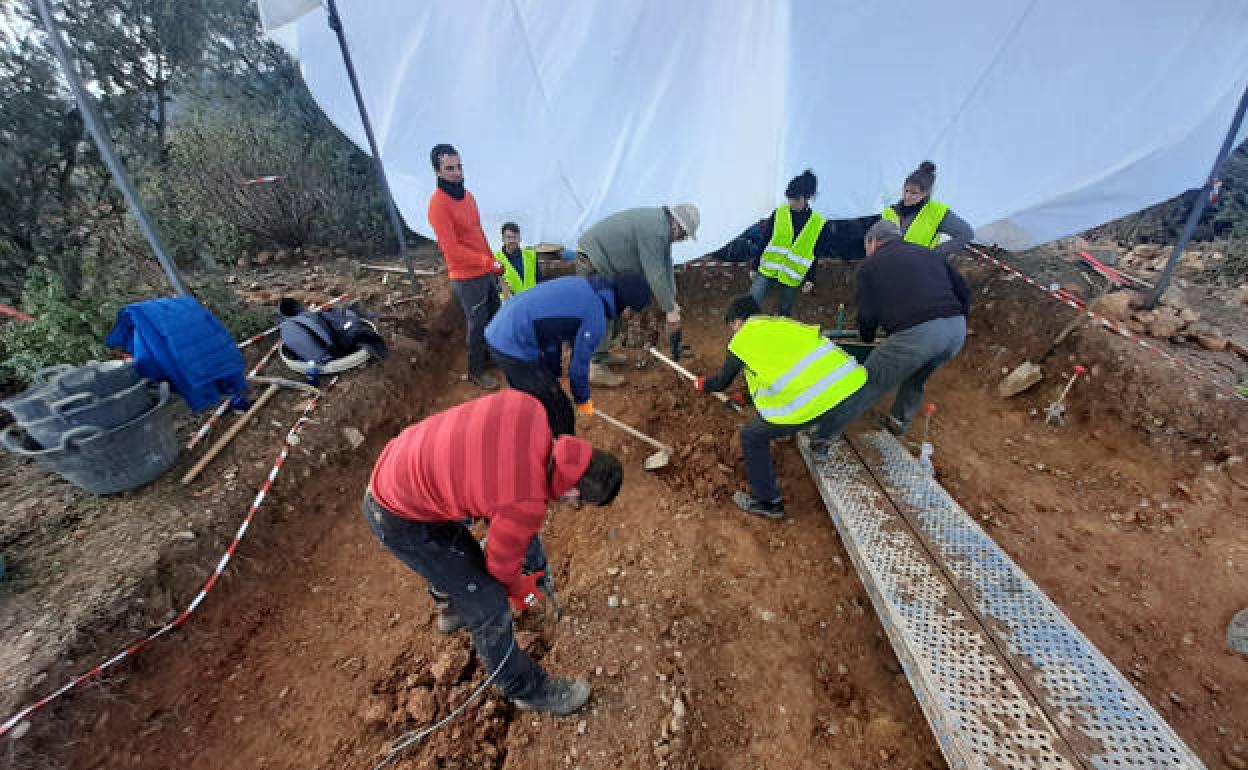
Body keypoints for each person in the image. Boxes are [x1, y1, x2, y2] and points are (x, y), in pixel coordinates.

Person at [364, 390, 624, 715]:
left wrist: (533, 566)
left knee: (465, 554)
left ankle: (449, 607)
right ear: (572, 489)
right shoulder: (524, 502)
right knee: (487, 598)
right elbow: (501, 567)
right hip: (398, 515)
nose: (576, 508)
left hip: (402, 462)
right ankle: (524, 689)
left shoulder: (530, 409)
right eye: (579, 503)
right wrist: (519, 588)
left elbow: (507, 499)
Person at [692, 295, 867, 519]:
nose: (733, 332)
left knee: (751, 436)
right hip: (852, 388)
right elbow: (783, 369)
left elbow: (721, 382)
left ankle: (768, 502)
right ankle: (822, 438)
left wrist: (703, 384)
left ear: (737, 321)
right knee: (824, 412)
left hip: (819, 400)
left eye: (732, 327)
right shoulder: (783, 325)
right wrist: (746, 397)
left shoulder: (743, 339)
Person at [807, 219, 970, 454]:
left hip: (919, 334)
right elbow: (963, 290)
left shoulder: (870, 267)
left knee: (866, 382)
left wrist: (867, 338)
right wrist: (954, 317)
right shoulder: (927, 253)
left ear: (872, 242)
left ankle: (822, 437)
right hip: (956, 330)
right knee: (917, 375)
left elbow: (867, 314)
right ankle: (898, 422)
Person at [485, 274, 652, 436]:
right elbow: (579, 367)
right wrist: (582, 400)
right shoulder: (595, 316)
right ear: (626, 305)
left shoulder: (585, 286)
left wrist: (552, 370)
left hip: (500, 328)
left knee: (535, 396)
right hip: (512, 344)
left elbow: (552, 331)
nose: (629, 316)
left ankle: (532, 431)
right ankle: (563, 451)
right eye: (633, 311)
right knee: (560, 411)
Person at [576, 203, 700, 385]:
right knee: (603, 311)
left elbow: (666, 264)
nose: (683, 239)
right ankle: (594, 368)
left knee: (614, 307)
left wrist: (672, 301)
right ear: (676, 225)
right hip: (592, 261)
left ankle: (601, 355)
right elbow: (655, 273)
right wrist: (669, 309)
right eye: (684, 235)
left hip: (604, 264)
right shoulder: (656, 231)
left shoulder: (661, 227)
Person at [427, 143, 505, 390]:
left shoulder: (467, 196)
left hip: (484, 269)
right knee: (478, 322)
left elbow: (476, 232)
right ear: (437, 172)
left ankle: (491, 357)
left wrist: (491, 259)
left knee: (494, 315)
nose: (457, 172)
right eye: (450, 168)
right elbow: (452, 249)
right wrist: (485, 261)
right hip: (466, 276)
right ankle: (476, 370)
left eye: (459, 166)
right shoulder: (438, 205)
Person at [751, 169, 840, 317]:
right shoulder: (779, 213)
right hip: (768, 269)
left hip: (792, 276)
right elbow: (765, 240)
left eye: (795, 199)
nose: (791, 203)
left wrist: (811, 278)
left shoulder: (817, 223)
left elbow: (814, 253)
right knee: (751, 303)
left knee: (785, 312)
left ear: (805, 198)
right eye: (789, 198)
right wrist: (754, 265)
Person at [880, 161, 974, 259]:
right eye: (906, 190)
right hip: (889, 264)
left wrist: (935, 254)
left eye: (914, 193)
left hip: (918, 267)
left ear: (925, 193)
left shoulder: (937, 212)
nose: (907, 196)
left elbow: (967, 234)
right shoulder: (890, 211)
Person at [494, 222, 542, 298]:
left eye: (515, 237)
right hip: (510, 305)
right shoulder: (495, 260)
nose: (512, 240)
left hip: (531, 300)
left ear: (520, 238)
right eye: (509, 237)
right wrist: (501, 289)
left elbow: (539, 280)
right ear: (503, 238)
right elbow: (491, 287)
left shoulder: (530, 255)